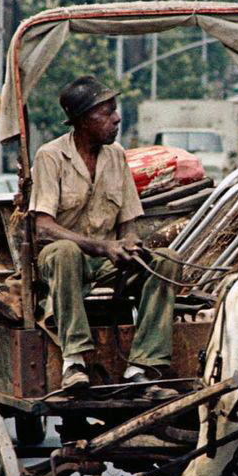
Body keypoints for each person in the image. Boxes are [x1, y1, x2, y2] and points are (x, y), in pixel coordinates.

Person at [30, 75, 177, 392]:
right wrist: (102, 247)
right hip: (61, 263)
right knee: (64, 252)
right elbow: (43, 228)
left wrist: (130, 245)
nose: (116, 118)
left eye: (115, 110)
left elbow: (128, 223)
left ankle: (142, 366)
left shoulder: (116, 156)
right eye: (107, 112)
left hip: (105, 263)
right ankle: (74, 362)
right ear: (83, 121)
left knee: (166, 260)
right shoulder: (50, 156)